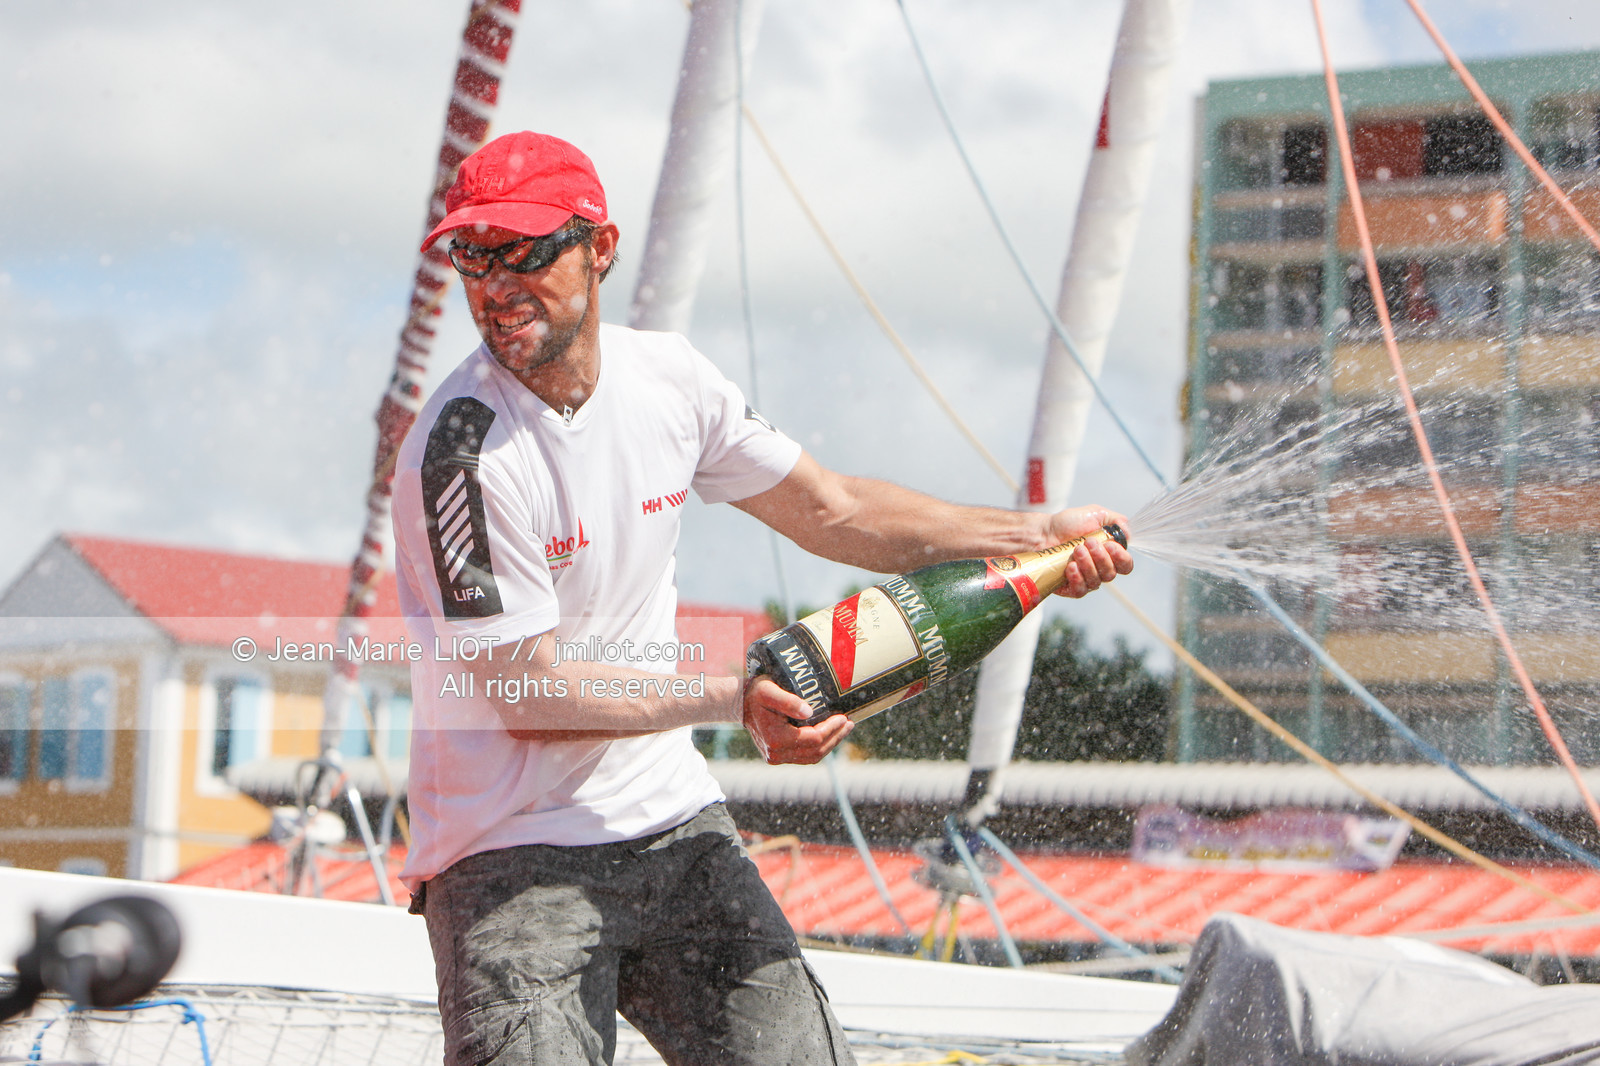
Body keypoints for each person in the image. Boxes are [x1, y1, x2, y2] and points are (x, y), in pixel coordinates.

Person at [390, 130, 1133, 1066]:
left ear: (600, 247)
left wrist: (1035, 535)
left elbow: (835, 510)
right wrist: (734, 697)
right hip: (507, 857)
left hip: (669, 820)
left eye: (525, 253)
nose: (496, 285)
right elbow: (528, 694)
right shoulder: (460, 456)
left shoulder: (671, 380)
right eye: (473, 256)